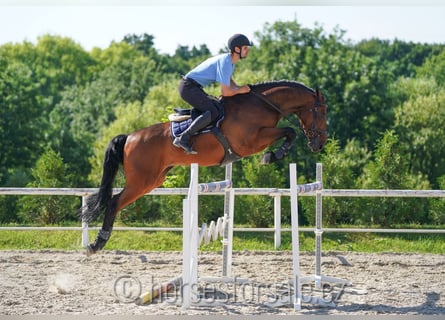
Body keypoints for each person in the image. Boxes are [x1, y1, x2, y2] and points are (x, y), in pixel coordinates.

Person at [174, 33, 253, 154]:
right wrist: (241, 90)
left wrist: (244, 90)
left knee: (217, 107)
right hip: (188, 88)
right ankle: (183, 138)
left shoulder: (230, 63)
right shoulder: (226, 62)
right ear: (237, 49)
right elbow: (226, 92)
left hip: (193, 87)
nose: (248, 50)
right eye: (246, 48)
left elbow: (232, 85)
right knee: (213, 111)